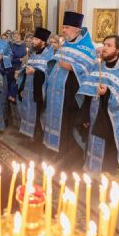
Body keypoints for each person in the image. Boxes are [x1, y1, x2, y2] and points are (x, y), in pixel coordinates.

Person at [78, 35, 119, 174]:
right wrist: (84, 115)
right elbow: (87, 93)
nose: (104, 48)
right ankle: (94, 176)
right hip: (96, 116)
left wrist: (108, 92)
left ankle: (109, 180)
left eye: (109, 45)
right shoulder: (98, 67)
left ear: (118, 49)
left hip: (115, 121)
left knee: (111, 152)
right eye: (104, 44)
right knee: (94, 145)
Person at [43, 11, 97, 169]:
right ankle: (54, 152)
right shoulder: (65, 44)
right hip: (57, 96)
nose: (64, 30)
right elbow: (56, 62)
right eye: (63, 27)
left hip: (71, 97)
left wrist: (72, 67)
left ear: (76, 29)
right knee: (56, 124)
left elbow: (90, 69)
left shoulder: (87, 48)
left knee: (68, 128)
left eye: (66, 27)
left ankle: (67, 161)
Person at [17, 27, 54, 149]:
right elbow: (26, 70)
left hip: (39, 93)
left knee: (38, 116)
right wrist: (21, 87)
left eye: (36, 39)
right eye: (33, 38)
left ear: (43, 41)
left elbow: (48, 74)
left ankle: (37, 141)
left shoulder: (49, 55)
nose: (33, 41)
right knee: (27, 113)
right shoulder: (32, 54)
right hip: (28, 91)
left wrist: (36, 72)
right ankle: (29, 136)